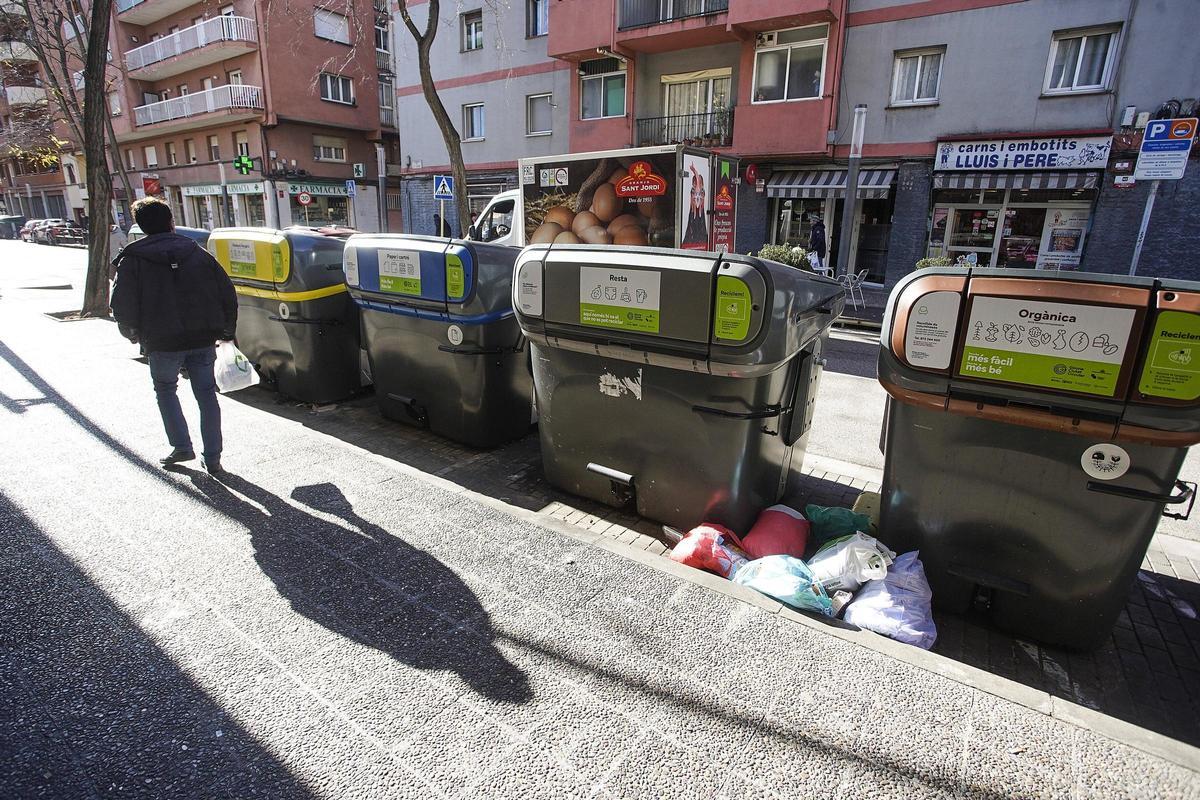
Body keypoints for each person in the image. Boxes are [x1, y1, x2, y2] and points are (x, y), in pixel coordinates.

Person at [110, 197, 238, 475]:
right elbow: (227, 292)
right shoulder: (198, 253)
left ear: (141, 226)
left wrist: (132, 333)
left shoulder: (132, 260)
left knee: (166, 390)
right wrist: (227, 330)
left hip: (161, 340)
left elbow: (121, 304)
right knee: (206, 394)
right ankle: (213, 456)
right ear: (171, 222)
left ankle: (181, 446)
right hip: (203, 337)